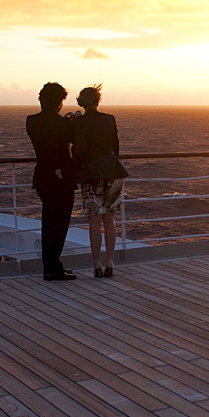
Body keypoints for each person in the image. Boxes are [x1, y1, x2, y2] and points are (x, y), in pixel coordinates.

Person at [70, 84, 127, 277]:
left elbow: (79, 151)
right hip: (112, 172)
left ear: (81, 102)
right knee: (109, 220)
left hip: (91, 174)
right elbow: (115, 147)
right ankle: (110, 261)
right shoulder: (109, 119)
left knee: (94, 221)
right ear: (98, 101)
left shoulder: (80, 123)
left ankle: (96, 264)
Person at [26, 82, 77, 281]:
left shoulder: (31, 121)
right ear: (60, 102)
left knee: (48, 222)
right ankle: (53, 267)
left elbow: (47, 132)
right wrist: (74, 122)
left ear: (41, 100)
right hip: (61, 178)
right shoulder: (64, 124)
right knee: (60, 223)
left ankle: (51, 265)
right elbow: (74, 140)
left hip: (42, 177)